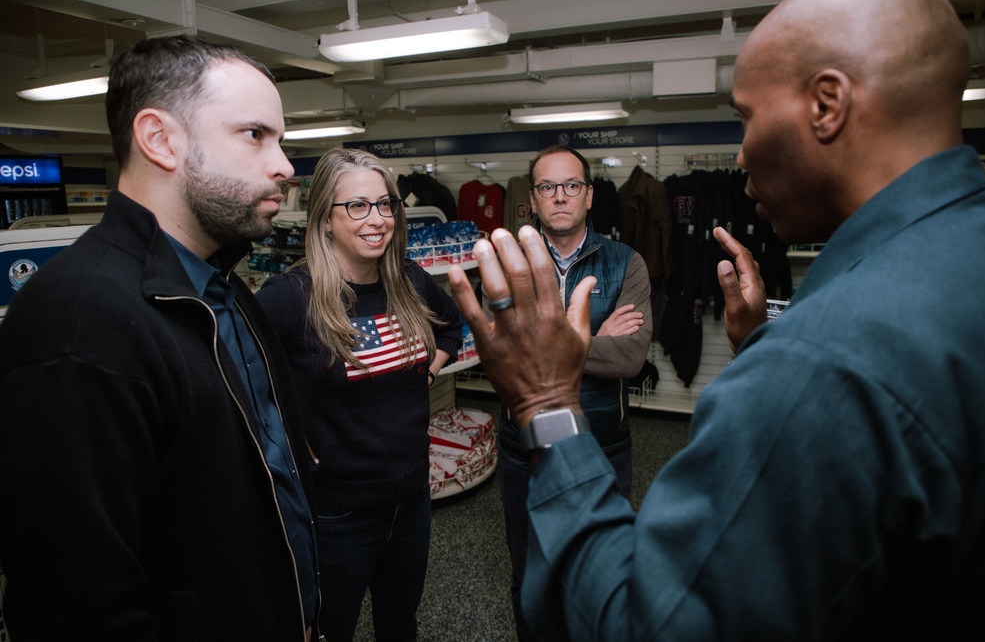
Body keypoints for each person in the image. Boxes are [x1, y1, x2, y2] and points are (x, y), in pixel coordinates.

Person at [448, 0, 985, 639]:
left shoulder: (823, 354)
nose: (739, 155)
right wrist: (763, 346)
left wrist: (544, 402)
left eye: (746, 116)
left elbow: (652, 624)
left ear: (828, 105)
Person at [0, 35, 320, 640]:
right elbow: (73, 607)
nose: (283, 165)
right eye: (256, 135)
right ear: (160, 140)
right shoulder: (79, 322)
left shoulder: (224, 289)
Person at [254, 148, 462, 642]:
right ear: (325, 218)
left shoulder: (410, 281)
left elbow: (452, 328)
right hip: (335, 514)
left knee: (400, 625)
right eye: (357, 206)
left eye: (385, 204)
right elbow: (240, 382)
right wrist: (283, 441)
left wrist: (427, 372)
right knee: (330, 631)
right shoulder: (289, 298)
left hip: (412, 498)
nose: (377, 219)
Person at [491, 144, 652, 641]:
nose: (559, 196)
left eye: (571, 186)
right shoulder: (505, 263)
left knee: (601, 571)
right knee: (529, 569)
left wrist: (548, 340)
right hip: (525, 447)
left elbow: (630, 358)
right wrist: (590, 339)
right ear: (533, 200)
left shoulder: (627, 263)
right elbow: (504, 354)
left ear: (588, 196)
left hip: (603, 443)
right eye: (547, 187)